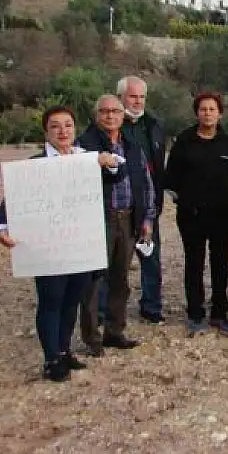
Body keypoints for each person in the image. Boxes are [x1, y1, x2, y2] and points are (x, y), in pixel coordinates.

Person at [0, 106, 109, 381]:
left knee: (72, 301)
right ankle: (51, 358)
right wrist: (0, 228)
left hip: (80, 247)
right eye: (55, 126)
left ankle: (65, 350)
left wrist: (108, 163)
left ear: (75, 129)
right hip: (48, 248)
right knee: (51, 301)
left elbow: (119, 175)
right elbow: (9, 204)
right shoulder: (35, 165)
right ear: (46, 131)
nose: (63, 131)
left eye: (68, 125)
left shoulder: (88, 161)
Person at [76, 94, 156, 355]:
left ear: (123, 116)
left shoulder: (132, 146)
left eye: (115, 112)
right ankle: (92, 338)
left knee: (121, 279)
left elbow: (146, 184)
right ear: (96, 115)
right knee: (93, 281)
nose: (110, 116)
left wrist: (147, 218)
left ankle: (115, 331)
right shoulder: (84, 146)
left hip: (128, 217)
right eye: (104, 111)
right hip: (99, 219)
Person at [165, 92, 228, 337]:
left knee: (220, 263)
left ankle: (219, 312)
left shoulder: (226, 142)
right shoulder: (184, 142)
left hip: (222, 214)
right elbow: (171, 177)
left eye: (212, 109)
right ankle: (195, 313)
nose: (207, 113)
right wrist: (184, 199)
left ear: (220, 113)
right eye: (203, 109)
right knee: (194, 263)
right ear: (197, 113)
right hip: (191, 215)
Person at [115, 75, 167, 324]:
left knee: (151, 258)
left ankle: (152, 307)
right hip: (119, 206)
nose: (137, 101)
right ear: (120, 97)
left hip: (148, 205)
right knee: (115, 262)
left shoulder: (154, 125)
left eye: (141, 97)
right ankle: (107, 311)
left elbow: (159, 164)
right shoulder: (110, 125)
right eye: (132, 96)